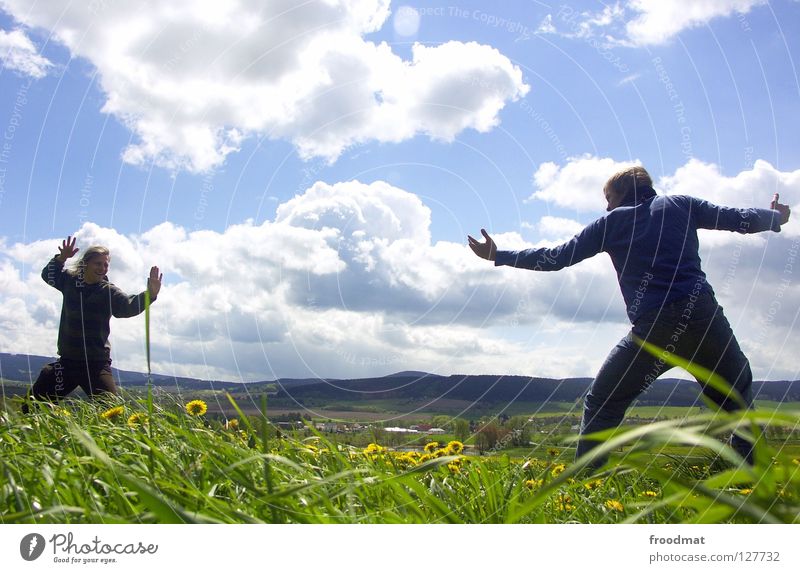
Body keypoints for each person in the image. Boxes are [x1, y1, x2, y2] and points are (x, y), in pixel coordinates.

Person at [468, 166, 791, 466]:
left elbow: (556, 257)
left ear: (622, 192)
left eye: (608, 198)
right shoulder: (680, 204)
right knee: (738, 405)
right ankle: (755, 491)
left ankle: (586, 485)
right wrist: (774, 217)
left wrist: (499, 255)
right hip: (705, 318)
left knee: (603, 404)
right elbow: (738, 218)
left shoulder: (611, 223)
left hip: (655, 329)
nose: (607, 208)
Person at [24, 235, 162, 409]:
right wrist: (62, 258)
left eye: (106, 265)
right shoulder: (70, 282)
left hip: (95, 365)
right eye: (98, 263)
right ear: (85, 263)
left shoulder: (108, 292)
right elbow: (48, 275)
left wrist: (150, 294)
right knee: (31, 407)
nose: (103, 268)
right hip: (67, 362)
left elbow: (127, 307)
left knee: (113, 412)